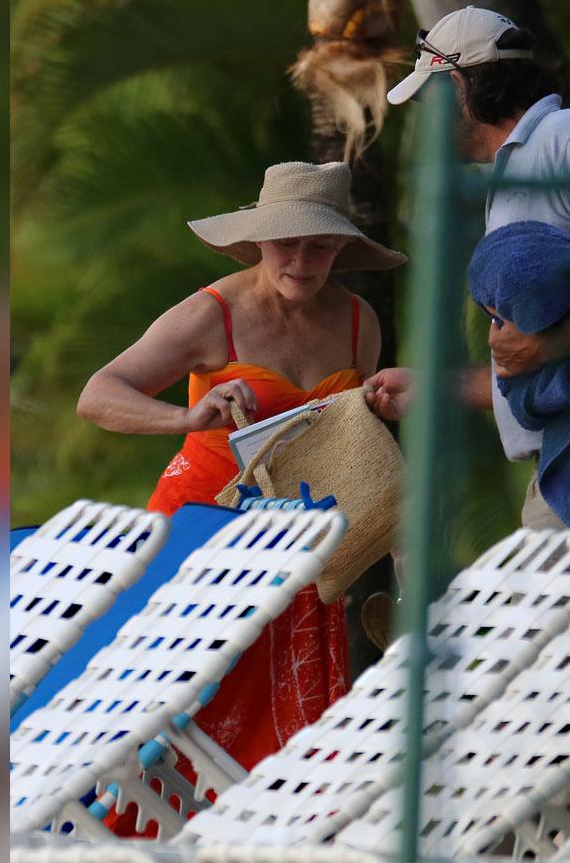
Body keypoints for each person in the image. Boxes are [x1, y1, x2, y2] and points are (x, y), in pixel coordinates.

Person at [75, 161, 405, 794]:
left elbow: (354, 441)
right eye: (287, 244)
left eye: (320, 246)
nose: (302, 262)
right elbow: (97, 395)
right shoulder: (211, 314)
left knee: (289, 724)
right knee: (178, 718)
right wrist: (186, 415)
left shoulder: (360, 319)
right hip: (205, 532)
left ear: (343, 246)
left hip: (305, 550)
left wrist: (396, 536)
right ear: (259, 239)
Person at [368, 5, 570, 530]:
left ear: (468, 85)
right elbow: (534, 358)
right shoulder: (513, 170)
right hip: (565, 464)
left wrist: (553, 343)